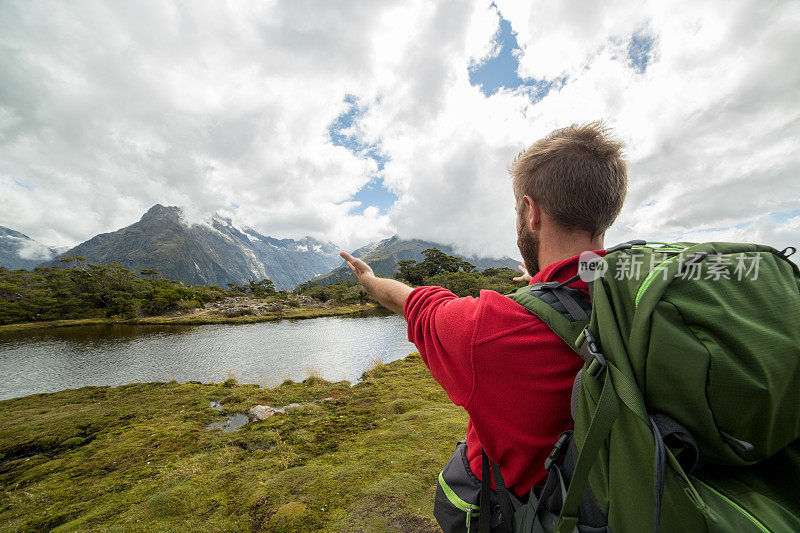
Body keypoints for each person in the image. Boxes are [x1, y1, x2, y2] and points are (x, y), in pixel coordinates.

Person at [340, 122, 627, 513]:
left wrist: (370, 280)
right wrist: (546, 285)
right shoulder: (639, 299)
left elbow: (412, 301)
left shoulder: (487, 329)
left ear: (531, 211)